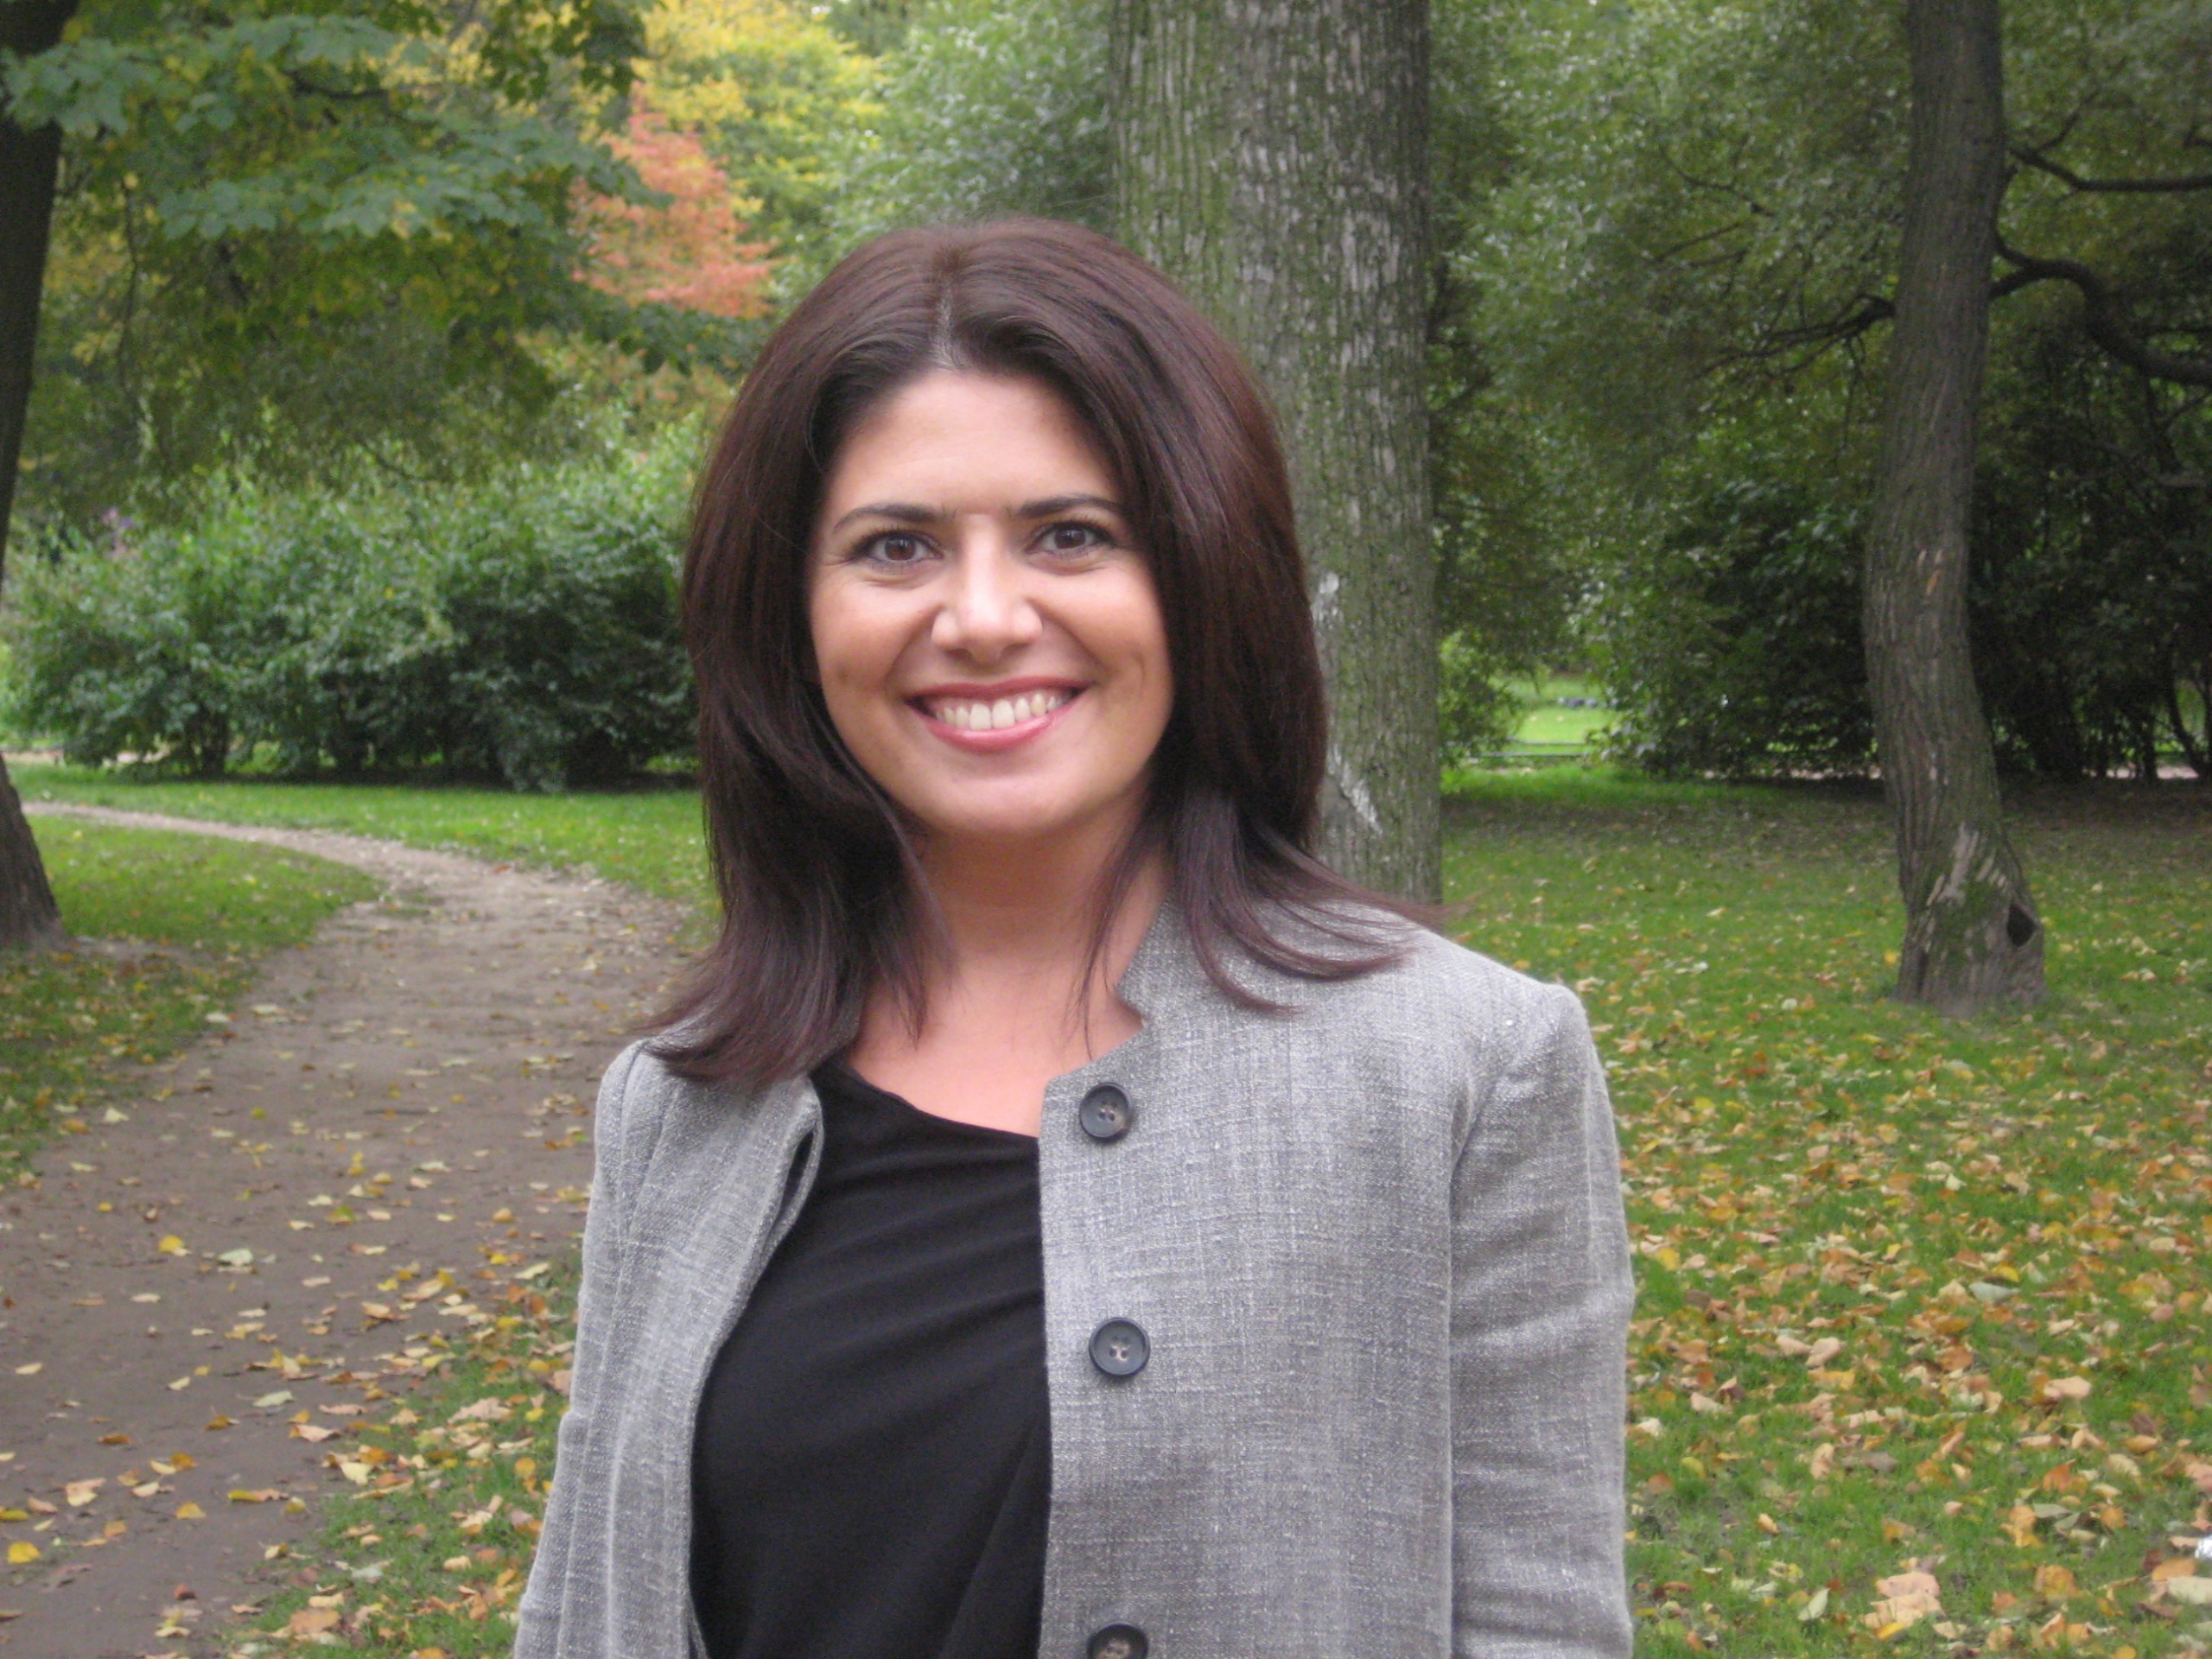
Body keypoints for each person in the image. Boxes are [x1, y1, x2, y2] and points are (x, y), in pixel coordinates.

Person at [515, 219, 1634, 1659]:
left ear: (1203, 575)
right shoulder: (679, 1104)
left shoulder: (1465, 1074)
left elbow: (1541, 1626)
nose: (984, 618)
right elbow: (583, 1606)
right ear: (792, 615)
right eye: (896, 547)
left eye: (1072, 536)